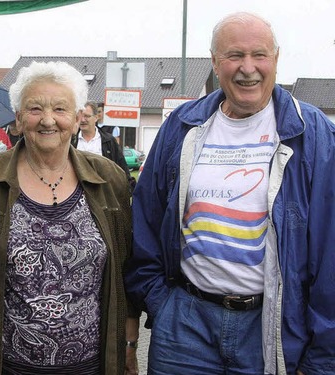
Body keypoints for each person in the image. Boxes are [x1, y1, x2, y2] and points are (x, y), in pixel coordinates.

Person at [125, 12, 335, 374]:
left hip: (270, 324)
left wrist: (321, 358)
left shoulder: (312, 133)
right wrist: (161, 301)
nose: (248, 68)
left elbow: (330, 253)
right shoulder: (183, 125)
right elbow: (146, 217)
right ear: (215, 61)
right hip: (185, 323)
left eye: (259, 55)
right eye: (235, 55)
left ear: (276, 59)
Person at [0, 61, 139, 374]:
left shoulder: (109, 179)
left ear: (78, 117)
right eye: (35, 109)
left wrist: (129, 344)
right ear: (17, 118)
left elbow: (127, 269)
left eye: (60, 109)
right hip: (4, 365)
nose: (48, 120)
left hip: (91, 366)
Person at [72, 101, 132, 183]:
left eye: (87, 116)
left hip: (103, 191)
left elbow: (121, 168)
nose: (82, 120)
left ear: (96, 117)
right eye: (80, 116)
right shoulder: (71, 141)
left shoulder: (108, 141)